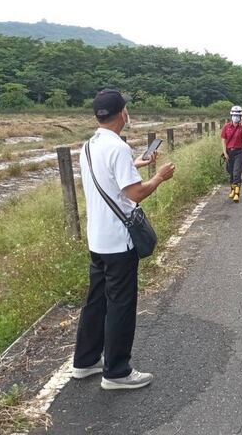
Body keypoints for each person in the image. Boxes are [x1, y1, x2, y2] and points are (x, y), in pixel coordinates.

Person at [73, 89, 175, 390]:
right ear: (122, 114)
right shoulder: (117, 148)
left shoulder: (89, 146)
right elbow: (134, 193)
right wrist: (159, 177)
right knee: (120, 304)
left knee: (95, 302)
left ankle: (86, 360)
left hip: (98, 239)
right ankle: (117, 371)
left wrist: (140, 164)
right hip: (119, 241)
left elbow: (108, 178)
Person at [221, 105, 242, 203]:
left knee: (237, 173)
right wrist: (225, 153)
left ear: (240, 116)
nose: (235, 117)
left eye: (237, 115)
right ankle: (232, 190)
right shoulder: (226, 127)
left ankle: (237, 193)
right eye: (234, 115)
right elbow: (223, 140)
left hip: (239, 152)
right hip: (229, 152)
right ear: (231, 115)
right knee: (231, 173)